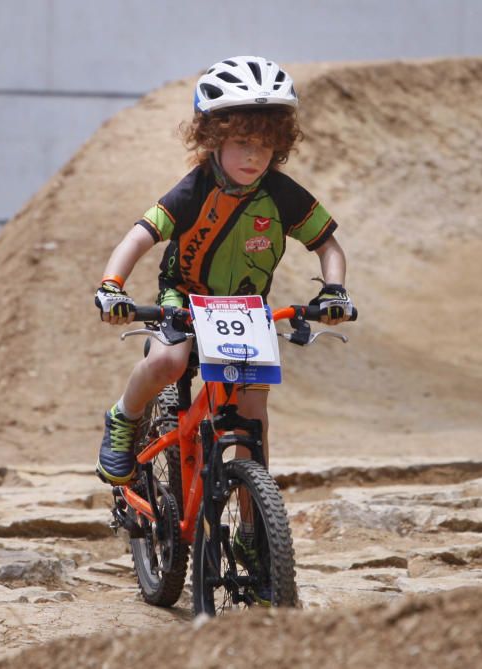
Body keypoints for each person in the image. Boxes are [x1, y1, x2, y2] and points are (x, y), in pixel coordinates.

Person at [95, 56, 355, 485]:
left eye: (265, 145)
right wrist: (112, 286)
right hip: (184, 295)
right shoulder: (195, 189)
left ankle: (255, 532)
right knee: (168, 362)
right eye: (241, 143)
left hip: (245, 308)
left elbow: (327, 244)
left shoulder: (281, 194)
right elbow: (139, 236)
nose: (254, 156)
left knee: (255, 418)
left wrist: (334, 290)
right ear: (213, 138)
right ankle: (124, 416)